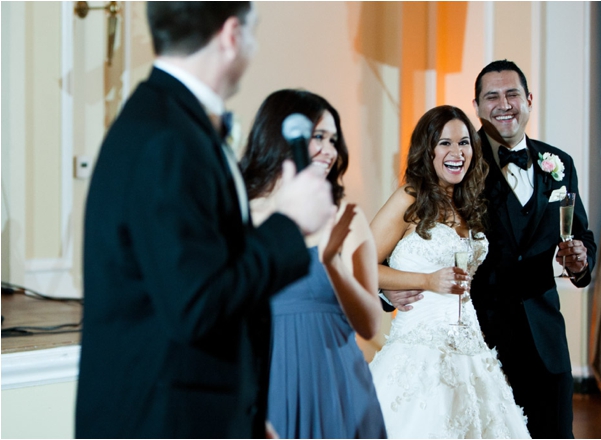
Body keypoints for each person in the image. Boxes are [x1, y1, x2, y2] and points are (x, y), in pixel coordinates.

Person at [75, 4, 335, 439]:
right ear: (232, 34)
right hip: (163, 420)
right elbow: (197, 303)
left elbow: (205, 271)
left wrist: (246, 416)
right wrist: (289, 222)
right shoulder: (169, 140)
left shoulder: (166, 121)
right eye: (255, 33)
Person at [384, 60, 598, 438]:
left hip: (547, 343)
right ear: (478, 107)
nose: (504, 104)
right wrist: (390, 290)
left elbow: (580, 234)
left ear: (529, 100)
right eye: (491, 96)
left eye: (512, 94)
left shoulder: (558, 163)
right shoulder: (459, 163)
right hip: (479, 343)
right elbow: (400, 244)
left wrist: (581, 261)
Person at [369, 105, 530, 439]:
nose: (457, 153)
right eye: (445, 143)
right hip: (419, 348)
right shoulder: (408, 198)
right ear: (427, 151)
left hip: (471, 347)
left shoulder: (468, 203)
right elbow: (360, 266)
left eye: (464, 143)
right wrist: (426, 281)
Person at [239, 89, 387, 438]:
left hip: (338, 389)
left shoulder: (347, 217)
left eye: (334, 140)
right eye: (318, 136)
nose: (330, 151)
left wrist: (333, 263)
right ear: (279, 135)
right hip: (266, 390)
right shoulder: (239, 216)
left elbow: (370, 325)